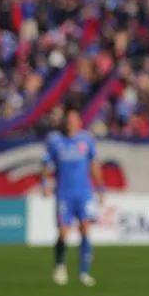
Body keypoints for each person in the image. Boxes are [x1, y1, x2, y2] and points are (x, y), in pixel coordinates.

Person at [41, 106, 104, 286]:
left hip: (84, 193)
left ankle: (84, 272)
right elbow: (46, 164)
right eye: (67, 120)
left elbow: (94, 164)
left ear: (79, 122)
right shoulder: (55, 141)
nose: (69, 123)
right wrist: (45, 183)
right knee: (63, 232)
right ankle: (60, 265)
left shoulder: (86, 140)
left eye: (73, 120)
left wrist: (100, 187)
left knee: (85, 229)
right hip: (64, 194)